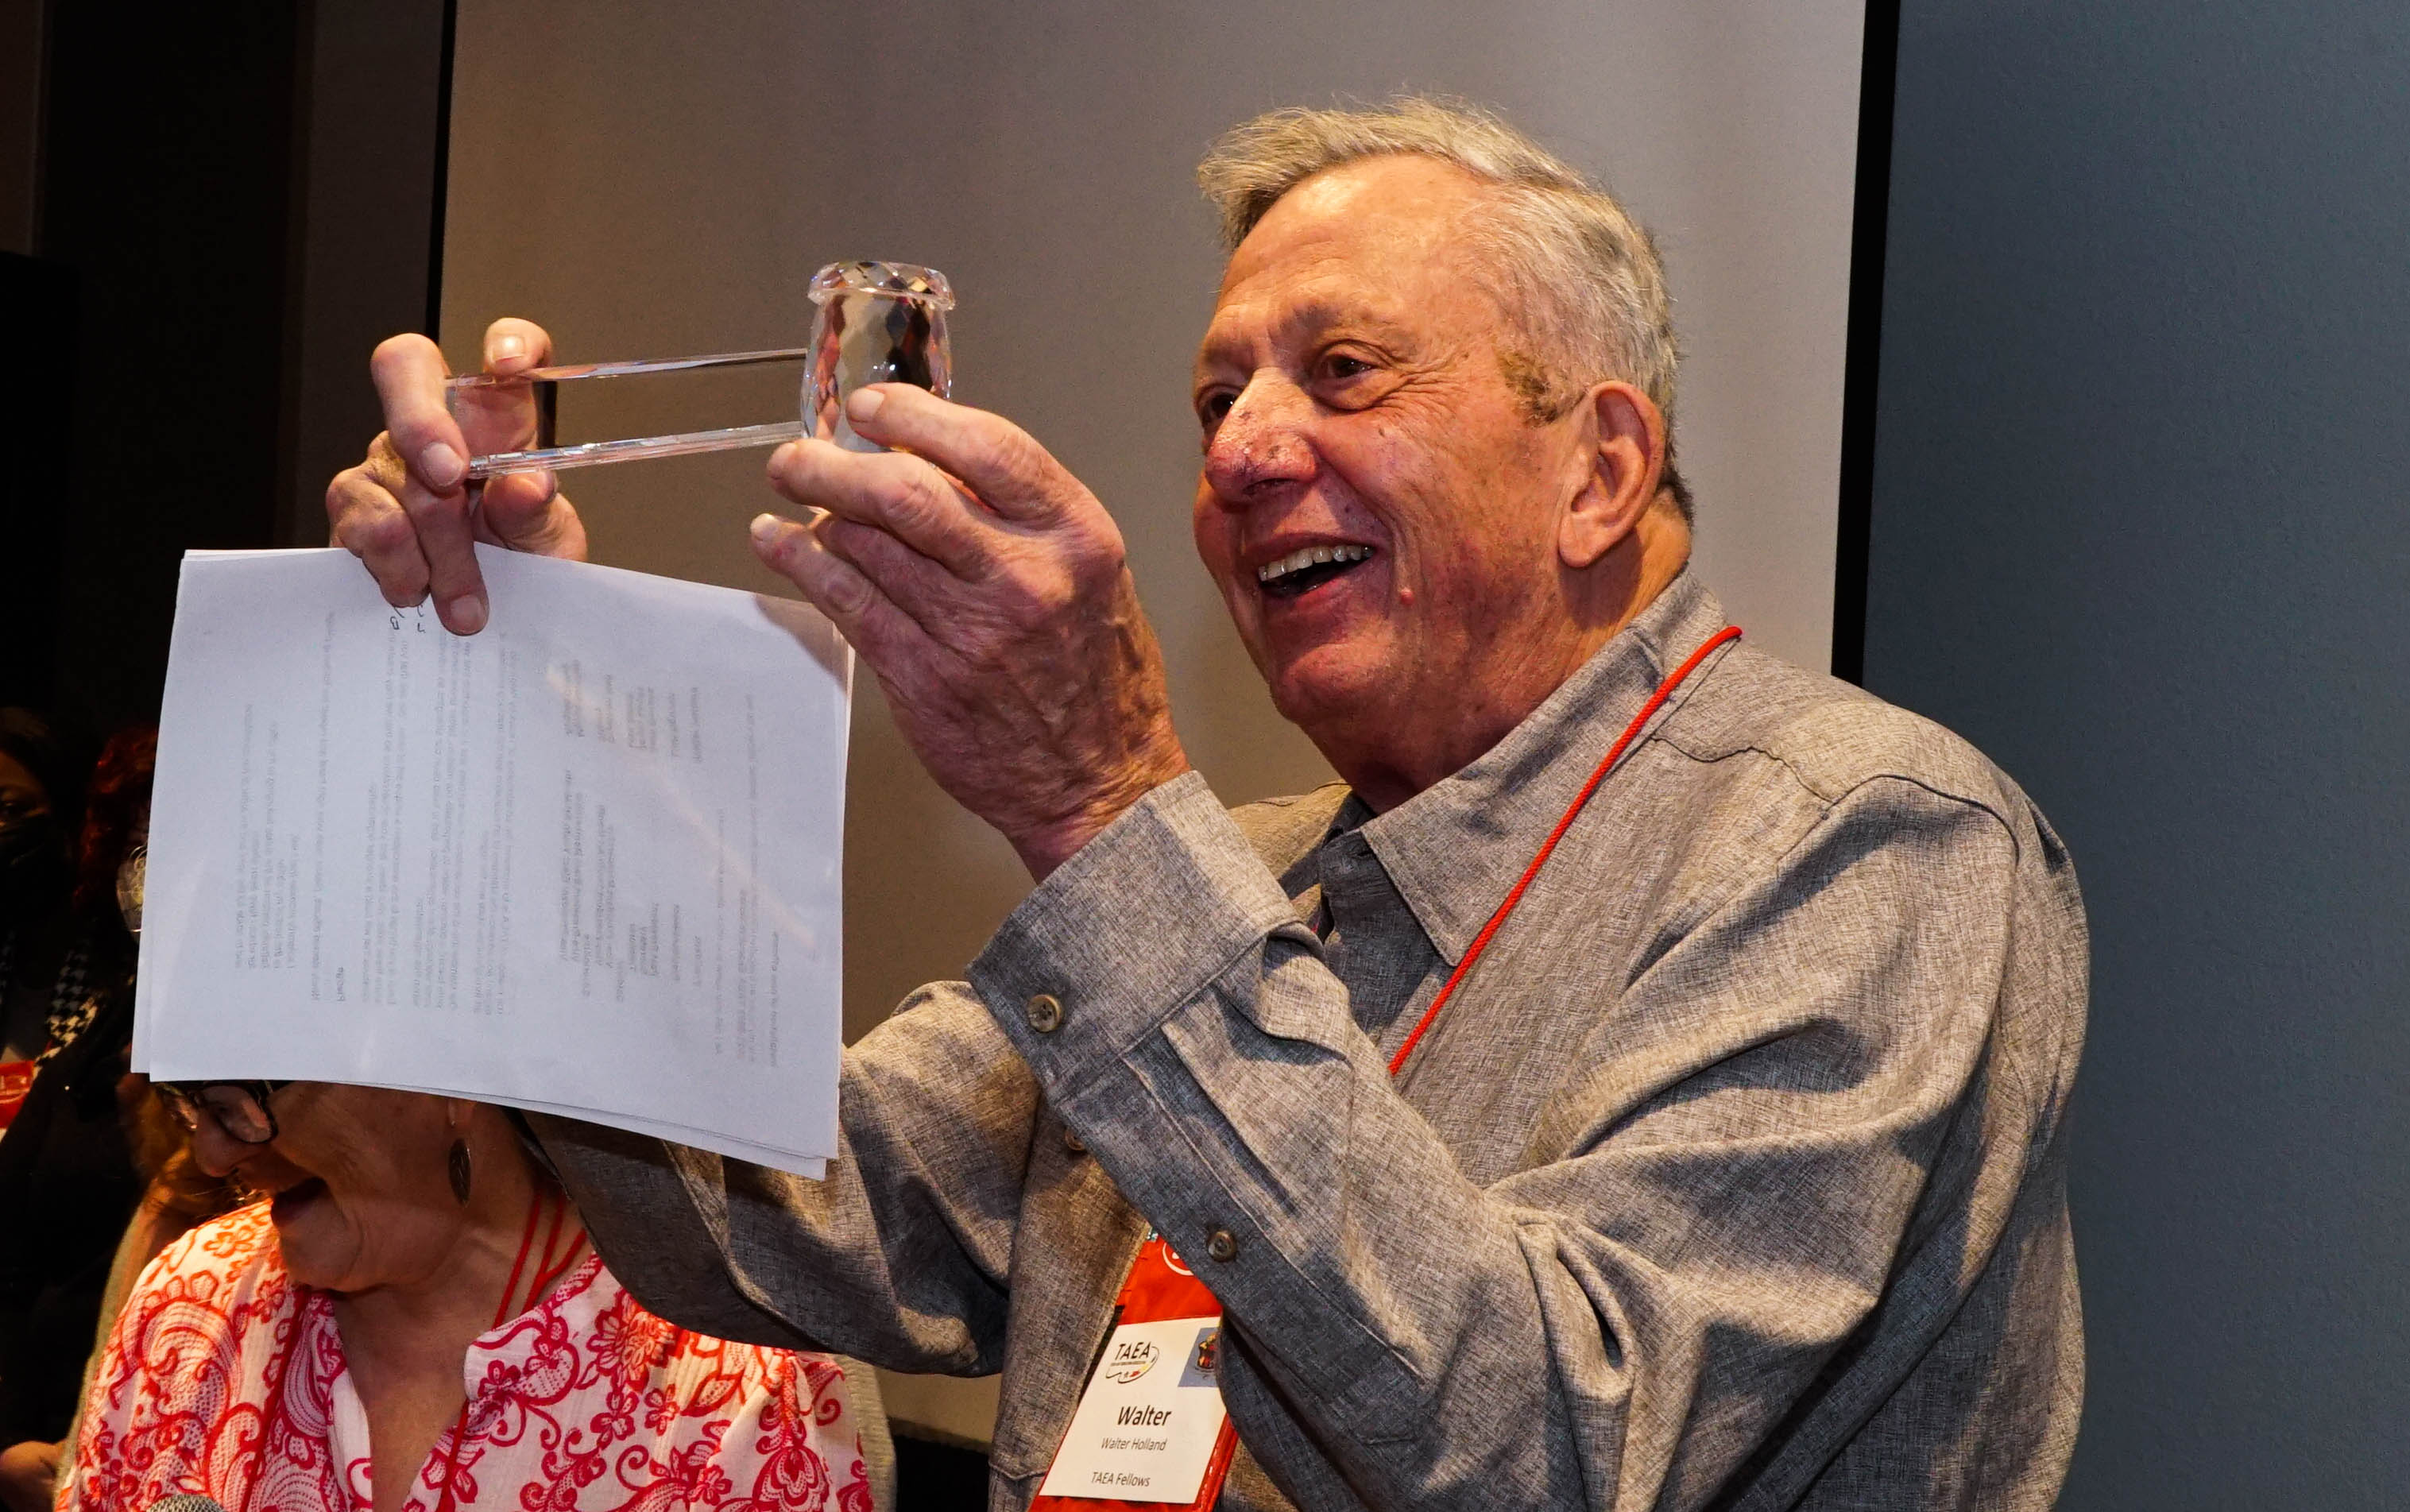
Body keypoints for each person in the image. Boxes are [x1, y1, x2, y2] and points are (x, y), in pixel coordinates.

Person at [327, 99, 2087, 1510]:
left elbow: (1551, 1447)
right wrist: (532, 695)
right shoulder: (1247, 872)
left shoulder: (1868, 841)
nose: (1238, 451)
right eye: (1217, 396)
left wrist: (1099, 812)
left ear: (1598, 469)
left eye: (1345, 372)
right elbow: (776, 1209)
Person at [61, 1081, 881, 1512]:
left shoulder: (735, 1396)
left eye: (248, 1100)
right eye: (194, 1100)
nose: (211, 1154)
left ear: (445, 1075)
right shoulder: (190, 1305)